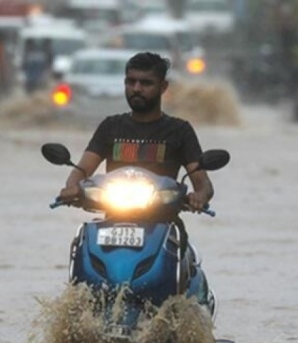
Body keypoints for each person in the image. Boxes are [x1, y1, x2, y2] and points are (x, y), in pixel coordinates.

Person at [57, 52, 214, 252]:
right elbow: (82, 170)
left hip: (163, 226)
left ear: (163, 87)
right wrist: (72, 187)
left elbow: (203, 184)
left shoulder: (180, 130)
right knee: (82, 249)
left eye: (146, 83)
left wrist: (199, 196)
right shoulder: (110, 126)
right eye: (131, 82)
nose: (136, 89)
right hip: (113, 223)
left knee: (179, 258)